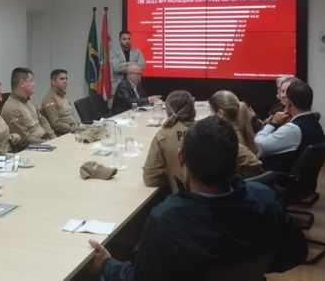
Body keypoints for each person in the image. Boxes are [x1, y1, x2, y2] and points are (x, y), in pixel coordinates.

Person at [89, 116, 308, 281]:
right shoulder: (265, 198)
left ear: (181, 158)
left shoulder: (167, 219)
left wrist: (107, 264)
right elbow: (296, 252)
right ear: (236, 161)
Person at [255, 80, 325, 172]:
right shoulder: (313, 121)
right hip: (300, 179)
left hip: (277, 178)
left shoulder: (293, 129)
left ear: (288, 103)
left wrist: (273, 123)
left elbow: (258, 145)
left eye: (285, 98)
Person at [142, 90, 196, 193]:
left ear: (167, 110)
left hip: (182, 201)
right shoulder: (209, 130)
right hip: (218, 202)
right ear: (192, 109)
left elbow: (150, 179)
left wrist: (170, 173)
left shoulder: (163, 135)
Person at [209, 90, 263, 178]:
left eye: (211, 113)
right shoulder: (242, 130)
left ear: (220, 113)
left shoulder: (225, 141)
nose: (210, 116)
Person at [1, 67, 56, 148]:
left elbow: (42, 120)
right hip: (32, 148)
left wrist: (52, 136)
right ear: (22, 83)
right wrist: (48, 143)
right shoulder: (12, 108)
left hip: (45, 142)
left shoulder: (30, 101)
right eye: (31, 81)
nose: (34, 84)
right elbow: (25, 139)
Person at [40, 69, 86, 135]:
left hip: (73, 129)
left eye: (66, 79)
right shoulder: (50, 99)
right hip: (63, 134)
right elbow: (56, 125)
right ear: (53, 82)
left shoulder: (63, 96)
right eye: (62, 79)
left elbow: (68, 118)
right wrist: (76, 129)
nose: (65, 81)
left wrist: (80, 127)